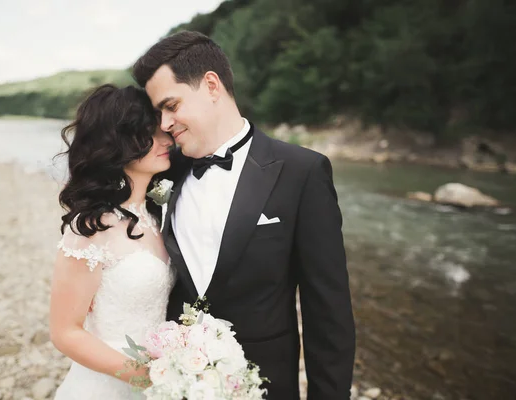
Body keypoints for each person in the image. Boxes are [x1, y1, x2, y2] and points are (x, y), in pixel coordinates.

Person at [133, 31, 356, 399]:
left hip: (265, 384)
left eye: (171, 106)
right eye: (158, 112)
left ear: (211, 85)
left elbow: (328, 313)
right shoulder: (162, 170)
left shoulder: (302, 172)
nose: (164, 123)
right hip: (174, 383)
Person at [49, 84, 175, 399]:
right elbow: (65, 332)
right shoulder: (90, 227)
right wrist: (147, 377)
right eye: (149, 133)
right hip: (110, 383)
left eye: (163, 130)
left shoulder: (158, 216)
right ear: (116, 144)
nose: (166, 140)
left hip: (165, 378)